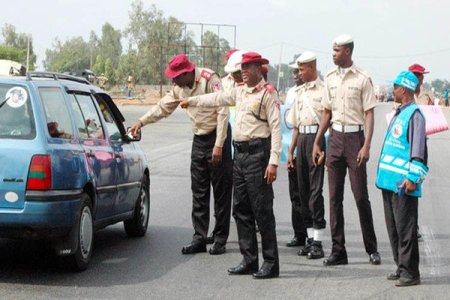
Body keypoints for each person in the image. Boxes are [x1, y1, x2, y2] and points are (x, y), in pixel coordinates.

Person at [180, 51, 282, 279]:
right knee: (241, 210)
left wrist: (273, 161)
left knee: (262, 211)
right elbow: (216, 99)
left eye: (246, 68)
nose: (242, 73)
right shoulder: (239, 92)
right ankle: (249, 260)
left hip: (259, 155)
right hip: (240, 155)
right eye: (241, 69)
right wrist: (192, 101)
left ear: (258, 68)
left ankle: (271, 263)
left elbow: (275, 128)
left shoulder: (268, 93)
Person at [129, 54, 233, 256]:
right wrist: (141, 122)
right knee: (199, 191)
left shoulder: (210, 79)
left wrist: (219, 145)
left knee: (221, 191)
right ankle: (199, 237)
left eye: (175, 77)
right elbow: (162, 108)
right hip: (199, 139)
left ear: (187, 73)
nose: (172, 81)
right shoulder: (179, 88)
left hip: (218, 137)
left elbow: (223, 110)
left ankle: (220, 238)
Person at [312, 34, 380, 266]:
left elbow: (369, 112)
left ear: (348, 51)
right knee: (334, 198)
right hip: (336, 138)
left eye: (337, 50)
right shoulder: (329, 78)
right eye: (332, 49)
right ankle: (338, 251)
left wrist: (367, 144)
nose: (333, 54)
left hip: (355, 139)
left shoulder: (362, 78)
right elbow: (326, 113)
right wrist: (318, 141)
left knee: (361, 196)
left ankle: (372, 248)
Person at [376, 71, 428, 287]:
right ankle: (400, 265)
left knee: (406, 230)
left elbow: (418, 150)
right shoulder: (400, 112)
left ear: (404, 89)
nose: (393, 90)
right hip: (389, 183)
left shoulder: (415, 115)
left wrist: (413, 178)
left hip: (403, 184)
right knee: (395, 229)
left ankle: (410, 273)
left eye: (395, 87)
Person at [287, 51, 326, 259]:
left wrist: (319, 144)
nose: (299, 73)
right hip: (301, 139)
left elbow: (328, 117)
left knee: (315, 192)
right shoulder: (299, 93)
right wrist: (291, 151)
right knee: (302, 192)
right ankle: (310, 238)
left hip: (316, 142)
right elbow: (295, 126)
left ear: (312, 67)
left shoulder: (324, 90)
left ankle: (318, 241)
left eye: (301, 69)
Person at [284, 56, 309, 248]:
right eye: (293, 71)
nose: (295, 75)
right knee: (295, 193)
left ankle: (312, 236)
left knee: (310, 194)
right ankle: (299, 234)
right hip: (293, 146)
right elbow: (289, 124)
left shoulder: (318, 90)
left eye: (298, 71)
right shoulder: (291, 93)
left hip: (311, 146)